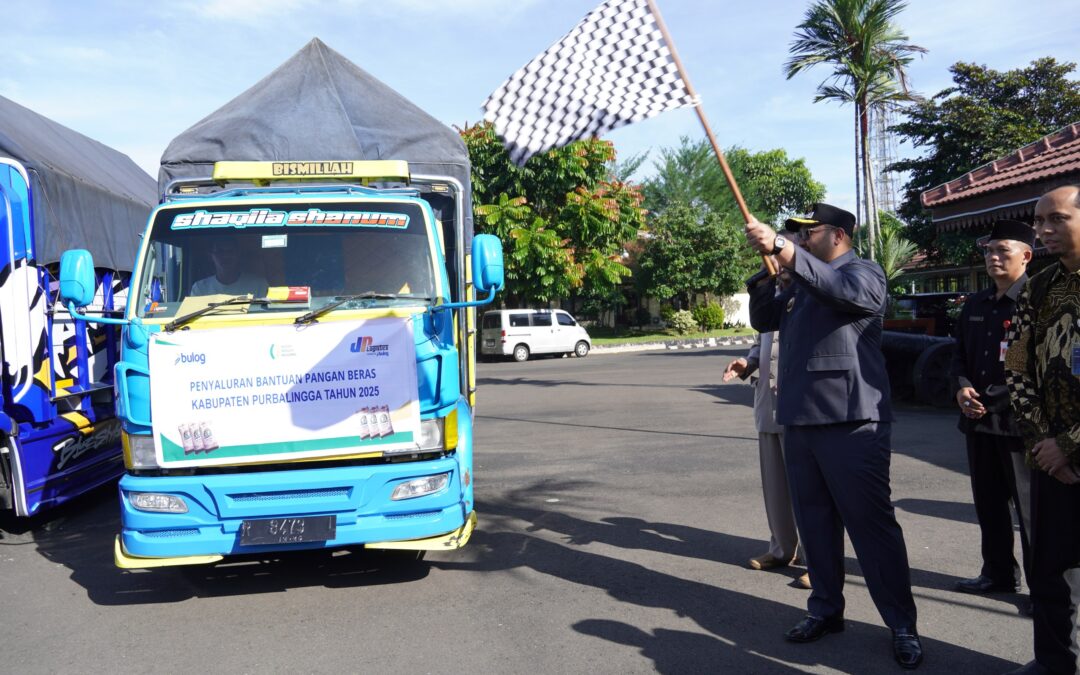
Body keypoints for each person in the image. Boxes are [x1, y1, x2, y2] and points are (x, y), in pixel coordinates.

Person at [745, 203, 921, 669]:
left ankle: (901, 624)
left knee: (871, 526)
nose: (800, 239)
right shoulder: (801, 279)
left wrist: (784, 250)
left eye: (809, 233)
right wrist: (772, 274)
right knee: (816, 525)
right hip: (800, 418)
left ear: (839, 235)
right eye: (794, 234)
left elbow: (845, 293)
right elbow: (764, 320)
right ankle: (825, 609)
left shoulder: (863, 272)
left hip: (851, 419)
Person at [1004, 185, 1080, 675]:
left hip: (1069, 449)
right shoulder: (1038, 284)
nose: (1044, 230)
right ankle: (1055, 663)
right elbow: (1016, 364)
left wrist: (1072, 444)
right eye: (1038, 221)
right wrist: (1044, 443)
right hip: (1051, 457)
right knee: (1049, 568)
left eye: (1056, 219)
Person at [951, 220, 1034, 597]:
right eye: (989, 251)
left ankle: (1042, 588)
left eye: (1003, 250)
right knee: (989, 505)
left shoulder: (1037, 300)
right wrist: (962, 388)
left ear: (1026, 256)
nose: (994, 257)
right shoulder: (976, 304)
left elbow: (1029, 364)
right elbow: (959, 356)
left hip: (1022, 426)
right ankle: (998, 573)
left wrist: (991, 399)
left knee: (1031, 513)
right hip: (979, 423)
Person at [723, 298, 808, 589]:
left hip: (803, 404)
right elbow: (762, 343)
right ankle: (782, 549)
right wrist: (747, 363)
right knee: (775, 484)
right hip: (768, 402)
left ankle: (818, 560)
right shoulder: (772, 297)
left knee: (809, 489)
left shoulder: (814, 289)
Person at [190, 237, 268, 297]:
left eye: (230, 251)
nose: (225, 256)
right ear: (211, 256)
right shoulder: (200, 288)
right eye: (220, 251)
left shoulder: (259, 285)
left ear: (238, 254)